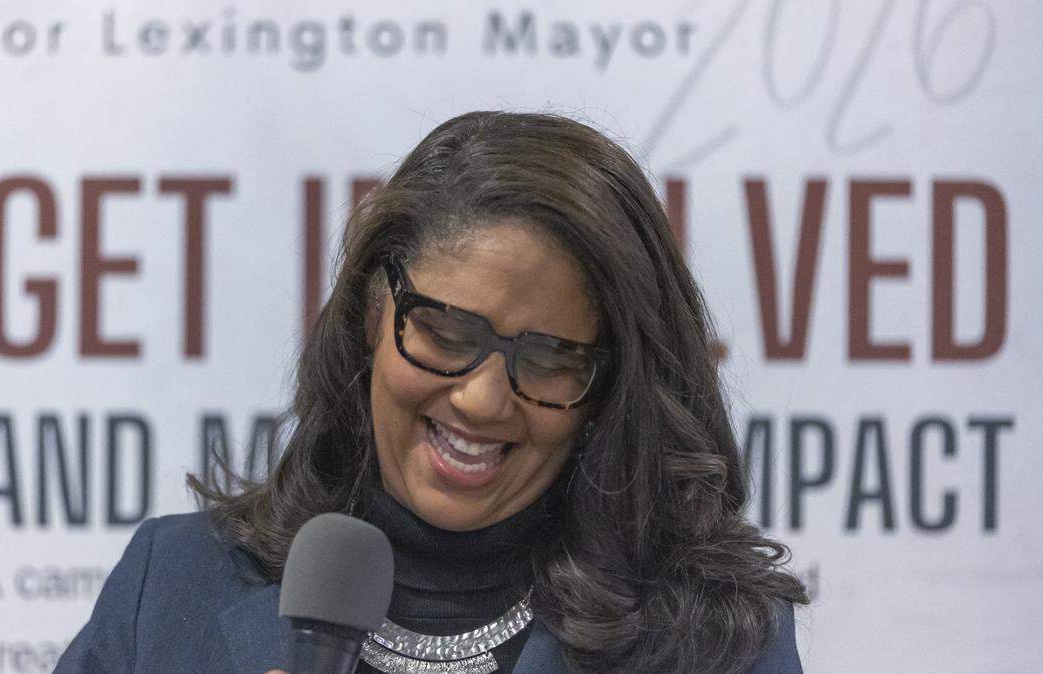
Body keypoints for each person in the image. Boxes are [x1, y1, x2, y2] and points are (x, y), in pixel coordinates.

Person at [56, 111, 809, 673]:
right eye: (447, 332)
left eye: (550, 359)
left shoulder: (715, 641)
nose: (482, 401)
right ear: (370, 312)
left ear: (609, 389)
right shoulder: (171, 589)